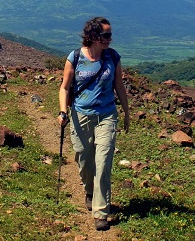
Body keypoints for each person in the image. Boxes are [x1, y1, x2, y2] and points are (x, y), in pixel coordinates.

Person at [58, 16, 130, 231]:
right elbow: (64, 87)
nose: (110, 39)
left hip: (107, 115)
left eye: (110, 34)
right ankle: (89, 191)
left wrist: (126, 112)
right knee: (84, 159)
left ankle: (101, 211)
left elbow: (119, 85)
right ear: (93, 35)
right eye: (106, 35)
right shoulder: (76, 57)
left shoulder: (113, 57)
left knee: (103, 163)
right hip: (80, 115)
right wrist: (63, 111)